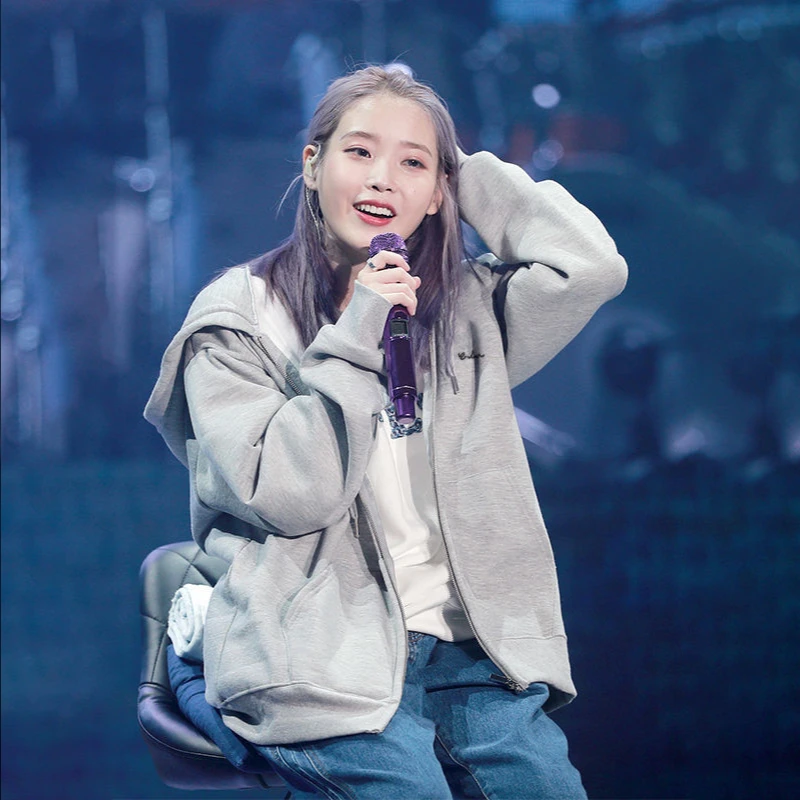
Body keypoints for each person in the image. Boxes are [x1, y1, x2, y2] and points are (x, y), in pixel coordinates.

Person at [145, 64, 627, 799]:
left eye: (412, 163)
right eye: (360, 152)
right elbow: (293, 494)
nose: (382, 179)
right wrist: (360, 328)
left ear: (439, 192)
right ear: (313, 166)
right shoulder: (237, 321)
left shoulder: (464, 308)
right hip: (318, 655)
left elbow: (589, 267)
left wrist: (462, 172)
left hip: (471, 656)